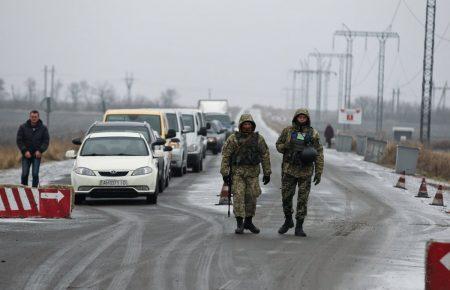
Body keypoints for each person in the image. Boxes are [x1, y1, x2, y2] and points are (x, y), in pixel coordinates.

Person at [275, 108, 324, 236]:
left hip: (305, 171)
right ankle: (288, 220)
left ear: (307, 119)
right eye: (299, 117)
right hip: (289, 170)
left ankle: (299, 226)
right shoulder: (288, 131)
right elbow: (278, 145)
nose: (302, 119)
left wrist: (319, 172)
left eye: (304, 117)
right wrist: (285, 147)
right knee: (286, 197)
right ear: (296, 118)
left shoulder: (313, 133)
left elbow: (319, 153)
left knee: (302, 199)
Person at [221, 114, 271, 234]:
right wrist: (225, 172)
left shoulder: (259, 139)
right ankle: (239, 223)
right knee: (238, 196)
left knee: (251, 197)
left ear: (252, 125)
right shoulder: (233, 139)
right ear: (241, 125)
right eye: (245, 124)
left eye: (249, 124)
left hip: (253, 174)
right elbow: (226, 156)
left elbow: (265, 155)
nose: (247, 126)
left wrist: (267, 172)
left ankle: (248, 222)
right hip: (238, 173)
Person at [16, 110, 50, 187]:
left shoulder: (43, 128)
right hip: (26, 155)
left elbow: (46, 141)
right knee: (24, 174)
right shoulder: (22, 127)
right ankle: (24, 190)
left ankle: (34, 191)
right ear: (29, 117)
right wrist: (24, 151)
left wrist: (40, 150)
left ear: (38, 117)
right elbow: (19, 140)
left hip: (37, 155)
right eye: (32, 117)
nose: (34, 118)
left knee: (35, 174)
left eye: (35, 117)